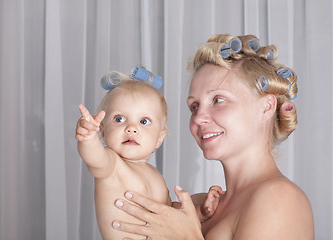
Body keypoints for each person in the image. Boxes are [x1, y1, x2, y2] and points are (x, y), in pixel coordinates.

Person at [111, 34, 315, 239]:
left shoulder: (281, 198)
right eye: (194, 106)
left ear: (266, 106)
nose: (198, 118)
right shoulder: (201, 205)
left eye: (218, 100)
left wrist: (185, 236)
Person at [75, 70, 224, 240]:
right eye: (119, 119)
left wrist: (202, 212)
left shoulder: (155, 176)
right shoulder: (112, 165)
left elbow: (169, 214)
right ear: (102, 130)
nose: (131, 128)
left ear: (159, 139)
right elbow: (95, 158)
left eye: (144, 121)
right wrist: (87, 138)